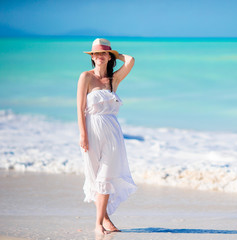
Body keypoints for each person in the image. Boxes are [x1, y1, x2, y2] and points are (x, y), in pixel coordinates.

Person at [77, 38, 137, 235]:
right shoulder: (85, 77)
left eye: (103, 53)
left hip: (112, 133)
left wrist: (116, 54)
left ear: (109, 57)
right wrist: (83, 134)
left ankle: (98, 224)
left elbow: (131, 60)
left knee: (105, 177)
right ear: (91, 58)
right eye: (95, 54)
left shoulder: (113, 79)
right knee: (95, 176)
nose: (98, 56)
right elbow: (80, 109)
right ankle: (106, 219)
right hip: (92, 130)